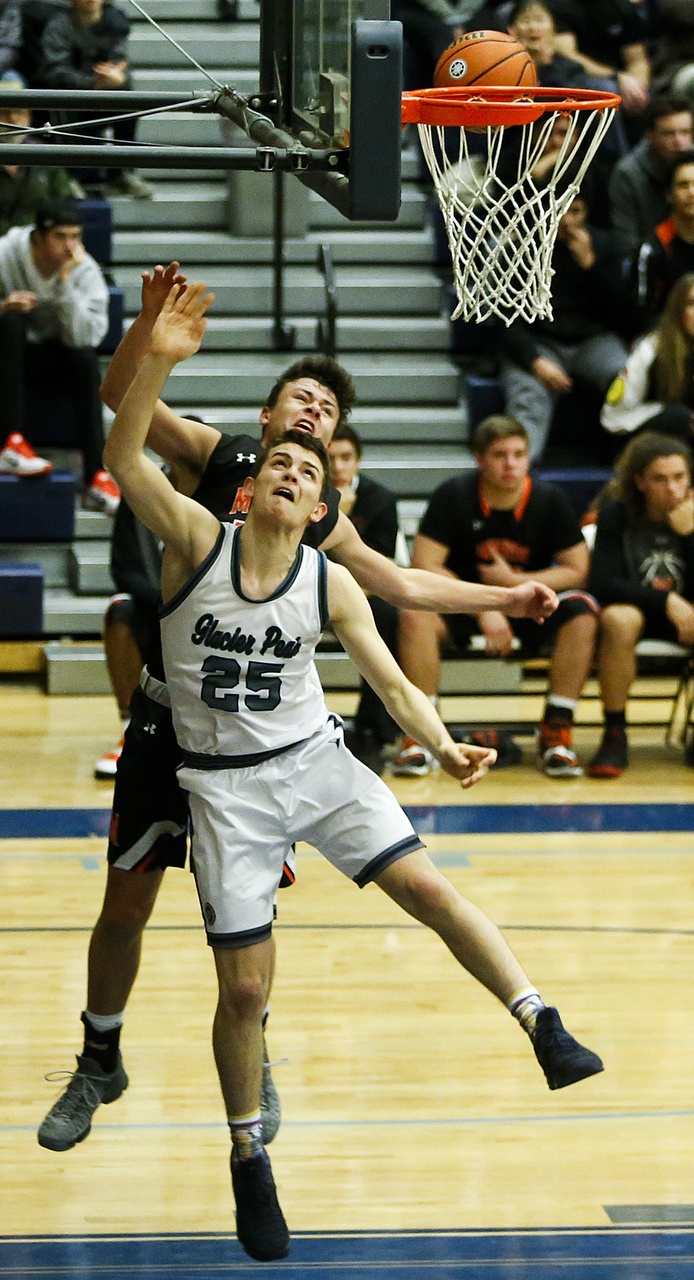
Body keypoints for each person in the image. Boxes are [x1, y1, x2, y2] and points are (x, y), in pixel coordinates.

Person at [104, 281, 604, 1261]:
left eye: (314, 460)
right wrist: (155, 350)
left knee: (426, 883)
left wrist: (444, 732)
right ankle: (249, 1155)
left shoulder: (329, 572)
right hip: (220, 783)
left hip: (314, 761)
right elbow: (125, 450)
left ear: (327, 500)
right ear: (249, 483)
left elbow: (391, 658)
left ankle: (540, 1018)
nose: (295, 463)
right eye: (282, 456)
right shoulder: (199, 528)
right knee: (244, 991)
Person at [394, 414, 599, 779]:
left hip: (530, 607)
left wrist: (517, 583)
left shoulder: (548, 499)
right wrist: (486, 606)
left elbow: (577, 568)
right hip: (461, 607)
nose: (511, 463)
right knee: (414, 613)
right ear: (479, 459)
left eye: (519, 453)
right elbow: (425, 565)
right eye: (500, 454)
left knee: (582, 611)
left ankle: (556, 730)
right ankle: (421, 734)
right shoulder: (453, 495)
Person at [0, 196, 119, 513]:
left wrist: (65, 287)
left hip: (53, 357)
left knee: (84, 361)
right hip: (7, 354)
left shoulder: (85, 271)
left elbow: (86, 338)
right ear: (38, 237)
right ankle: (10, 445)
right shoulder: (5, 254)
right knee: (10, 324)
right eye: (61, 236)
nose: (70, 246)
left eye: (76, 236)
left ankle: (96, 475)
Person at [588, 431, 694, 777]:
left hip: (687, 617)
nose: (672, 489)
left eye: (680, 477)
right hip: (639, 611)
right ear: (641, 482)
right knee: (620, 619)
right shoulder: (616, 513)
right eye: (660, 479)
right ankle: (615, 732)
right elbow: (602, 584)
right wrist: (665, 601)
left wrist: (690, 536)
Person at [499, 191, 631, 462]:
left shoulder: (605, 246)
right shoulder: (521, 247)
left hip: (592, 341)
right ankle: (520, 476)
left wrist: (591, 267)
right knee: (529, 398)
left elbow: (622, 315)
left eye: (576, 211)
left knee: (628, 383)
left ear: (588, 212)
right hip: (537, 341)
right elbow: (504, 320)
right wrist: (534, 360)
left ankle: (632, 467)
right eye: (560, 210)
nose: (567, 220)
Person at [328, 421, 401, 765]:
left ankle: (373, 729)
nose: (339, 467)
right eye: (331, 458)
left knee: (386, 614)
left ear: (358, 461)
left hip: (360, 593)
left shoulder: (380, 499)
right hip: (307, 588)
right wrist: (336, 515)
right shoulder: (302, 492)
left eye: (346, 457)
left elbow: (379, 565)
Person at [39, 0, 153, 199]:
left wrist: (120, 78)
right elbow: (55, 70)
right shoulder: (58, 25)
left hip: (105, 94)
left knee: (129, 103)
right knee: (58, 105)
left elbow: (121, 62)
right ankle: (69, 176)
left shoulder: (116, 22)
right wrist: (93, 83)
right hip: (70, 96)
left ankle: (121, 172)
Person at [601, 273, 694, 443]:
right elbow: (616, 415)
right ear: (678, 310)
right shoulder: (652, 347)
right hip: (638, 429)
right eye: (691, 304)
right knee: (680, 417)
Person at [608, 94, 694, 259]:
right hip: (649, 259)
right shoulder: (628, 173)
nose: (679, 142)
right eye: (669, 134)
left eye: (685, 132)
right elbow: (626, 244)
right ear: (650, 136)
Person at [0, 80, 77, 236]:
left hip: (38, 249)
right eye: (4, 112)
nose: (13, 119)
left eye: (20, 111)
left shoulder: (44, 154)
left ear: (29, 115)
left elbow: (65, 203)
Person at [635, 152, 694, 324]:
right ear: (669, 194)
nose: (691, 192)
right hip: (665, 333)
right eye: (683, 185)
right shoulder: (653, 248)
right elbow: (641, 310)